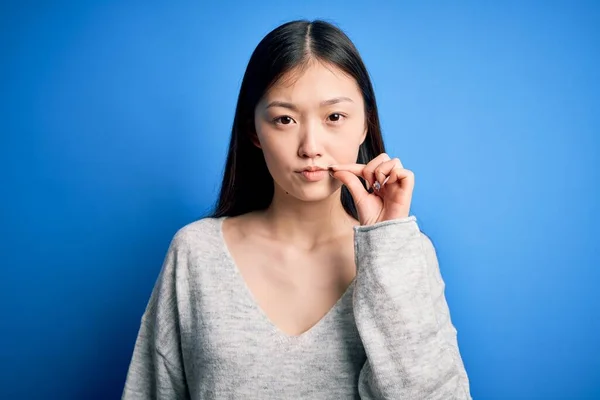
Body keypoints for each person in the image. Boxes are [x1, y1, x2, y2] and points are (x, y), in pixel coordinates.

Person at [122, 19, 472, 399]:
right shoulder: (196, 253)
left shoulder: (408, 253)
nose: (310, 146)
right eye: (284, 119)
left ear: (364, 125)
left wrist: (386, 245)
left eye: (334, 117)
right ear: (254, 131)